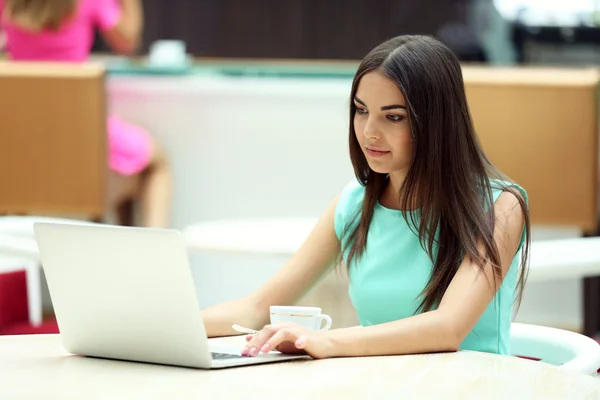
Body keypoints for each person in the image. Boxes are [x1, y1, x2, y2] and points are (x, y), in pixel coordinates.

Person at [201, 35, 530, 360]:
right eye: (361, 111)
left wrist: (324, 342)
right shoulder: (354, 204)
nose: (369, 131)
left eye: (393, 117)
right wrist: (169, 326)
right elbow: (256, 308)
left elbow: (447, 328)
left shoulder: (501, 208)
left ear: (435, 123)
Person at [0, 0, 171, 228]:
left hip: (22, 158)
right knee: (156, 164)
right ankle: (154, 255)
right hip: (81, 150)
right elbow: (128, 40)